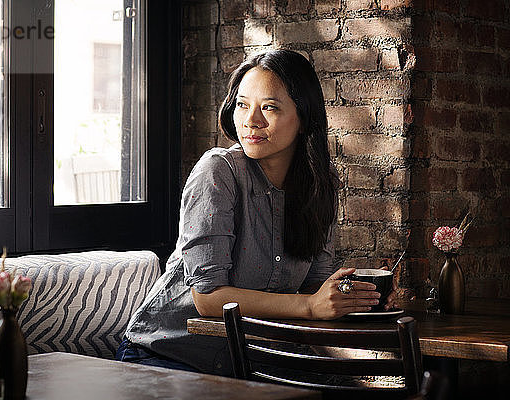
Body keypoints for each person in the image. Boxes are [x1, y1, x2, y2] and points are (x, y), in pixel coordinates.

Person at [117, 49, 391, 376]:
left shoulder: (319, 188)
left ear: (304, 119)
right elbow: (208, 299)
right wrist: (309, 306)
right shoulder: (218, 172)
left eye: (270, 108)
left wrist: (351, 302)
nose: (251, 120)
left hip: (253, 367)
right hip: (166, 357)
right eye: (243, 105)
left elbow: (315, 291)